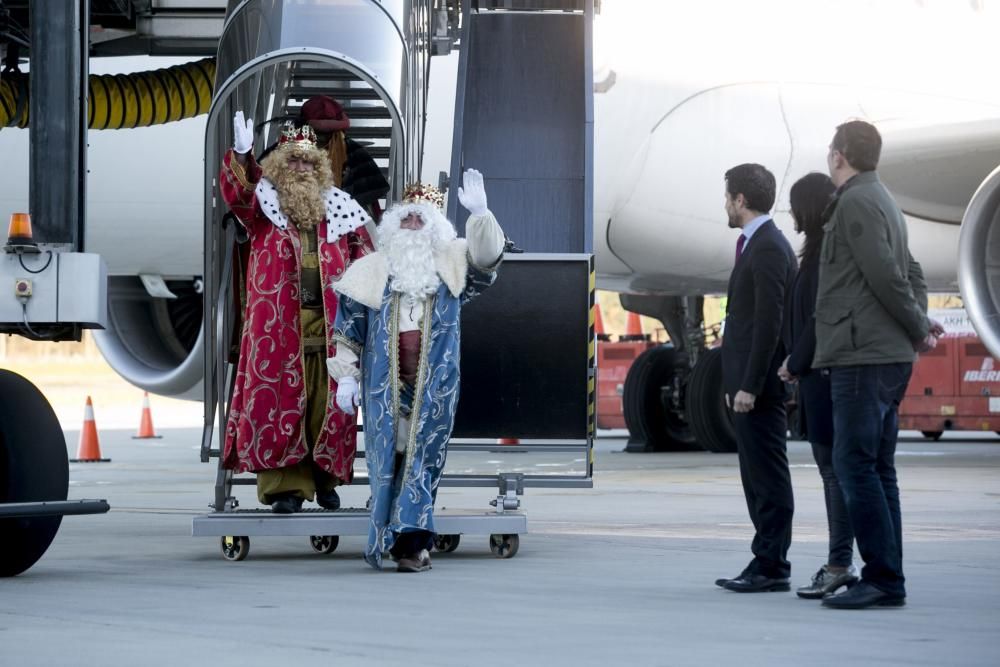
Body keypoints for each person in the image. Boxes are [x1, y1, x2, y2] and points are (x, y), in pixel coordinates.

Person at [327, 169, 505, 572]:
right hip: (383, 388)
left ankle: (412, 545)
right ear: (394, 224)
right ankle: (391, 537)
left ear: (434, 228)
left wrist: (480, 217)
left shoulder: (452, 268)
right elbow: (348, 328)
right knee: (387, 460)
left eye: (420, 219)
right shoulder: (371, 270)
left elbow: (487, 262)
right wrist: (347, 377)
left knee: (422, 460)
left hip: (434, 386)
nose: (412, 225)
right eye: (406, 218)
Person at [814, 120, 944, 609]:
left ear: (839, 155)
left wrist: (916, 325)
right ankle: (888, 575)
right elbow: (910, 270)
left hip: (862, 355)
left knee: (854, 464)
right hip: (880, 353)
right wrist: (920, 322)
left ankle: (883, 578)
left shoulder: (856, 202)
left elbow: (889, 275)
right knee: (877, 468)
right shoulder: (883, 199)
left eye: (831, 149)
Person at [219, 111, 375, 513]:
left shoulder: (341, 208)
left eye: (308, 161)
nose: (301, 167)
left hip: (330, 324)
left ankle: (324, 480)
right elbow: (236, 193)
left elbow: (366, 261)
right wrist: (241, 153)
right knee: (282, 402)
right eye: (293, 160)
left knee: (328, 403)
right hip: (277, 326)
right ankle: (285, 488)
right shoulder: (262, 207)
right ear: (278, 165)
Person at [716, 163, 798, 593]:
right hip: (748, 385)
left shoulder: (766, 247)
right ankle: (765, 559)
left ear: (741, 200)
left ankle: (772, 564)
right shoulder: (756, 244)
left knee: (767, 477)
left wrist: (749, 384)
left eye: (727, 196)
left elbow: (769, 323)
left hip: (759, 388)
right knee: (756, 476)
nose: (725, 204)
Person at [777, 172, 859, 599]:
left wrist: (795, 360)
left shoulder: (825, 254)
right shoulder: (815, 253)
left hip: (823, 378)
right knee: (836, 474)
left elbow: (817, 317)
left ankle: (840, 563)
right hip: (815, 379)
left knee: (835, 475)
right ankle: (841, 561)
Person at [296, 95, 390, 222]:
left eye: (328, 133)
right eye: (317, 132)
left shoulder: (356, 156)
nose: (322, 138)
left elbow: (368, 211)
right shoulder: (283, 155)